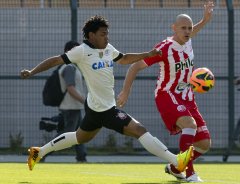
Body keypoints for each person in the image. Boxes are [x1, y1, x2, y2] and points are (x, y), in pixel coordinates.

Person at [20, 15, 193, 172]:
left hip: (97, 107)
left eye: (107, 33)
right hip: (104, 109)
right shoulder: (81, 51)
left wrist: (147, 54)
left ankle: (39, 151)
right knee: (139, 130)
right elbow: (56, 60)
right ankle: (176, 160)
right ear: (91, 35)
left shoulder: (108, 48)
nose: (106, 37)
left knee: (79, 137)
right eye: (103, 34)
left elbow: (124, 58)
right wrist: (32, 71)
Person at [117, 1, 214, 182]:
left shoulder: (189, 39)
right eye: (183, 28)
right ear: (174, 28)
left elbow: (194, 31)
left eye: (189, 28)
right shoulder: (164, 49)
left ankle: (176, 167)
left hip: (187, 97)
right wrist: (125, 92)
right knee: (190, 125)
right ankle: (190, 174)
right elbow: (135, 67)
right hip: (167, 95)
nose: (187, 31)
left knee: (204, 143)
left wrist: (205, 20)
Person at [58, 40, 87, 162]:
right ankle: (41, 152)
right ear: (68, 52)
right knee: (67, 134)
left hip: (74, 106)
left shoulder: (72, 67)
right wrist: (84, 101)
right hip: (70, 107)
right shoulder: (69, 67)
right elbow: (70, 89)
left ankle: (81, 157)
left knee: (78, 134)